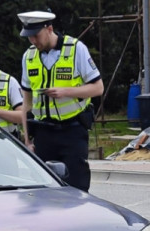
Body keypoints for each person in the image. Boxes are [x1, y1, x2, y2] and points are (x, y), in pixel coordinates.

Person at [17, 11, 104, 192]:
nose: (33, 41)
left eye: (36, 35)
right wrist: (27, 141)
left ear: (49, 29)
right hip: (43, 132)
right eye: (29, 37)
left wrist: (66, 92)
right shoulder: (29, 57)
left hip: (72, 130)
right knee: (45, 190)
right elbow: (27, 103)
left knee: (77, 186)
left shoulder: (75, 49)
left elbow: (98, 88)